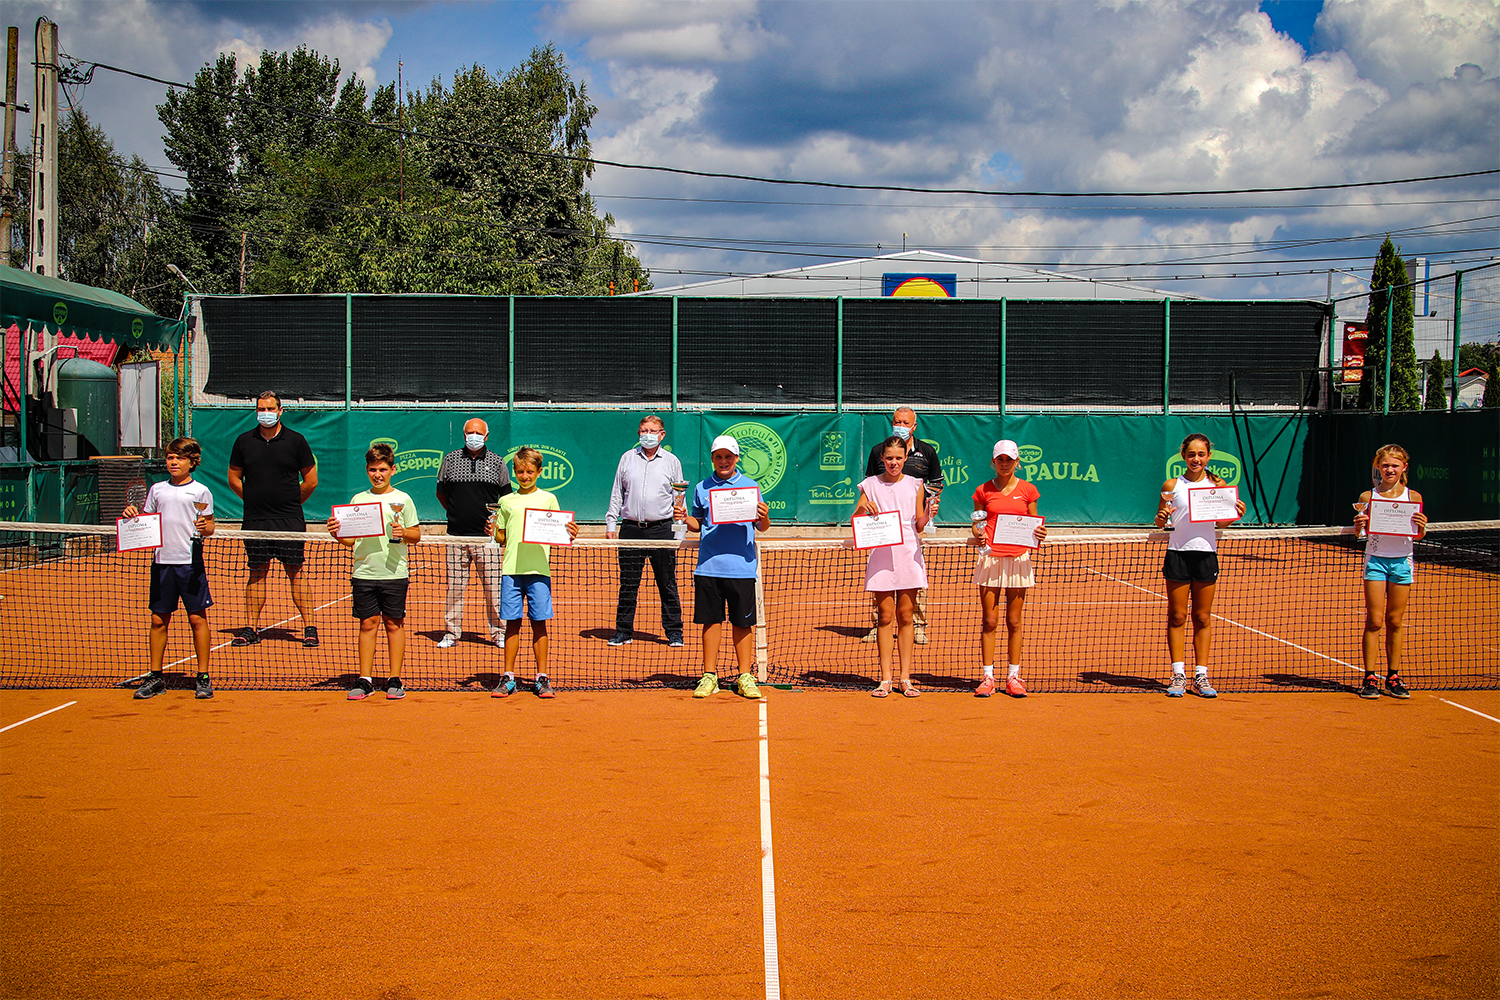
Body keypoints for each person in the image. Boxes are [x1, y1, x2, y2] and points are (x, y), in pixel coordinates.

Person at [677, 435, 771, 700]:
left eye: (728, 456)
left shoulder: (751, 487)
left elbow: (762, 526)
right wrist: (685, 518)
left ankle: (745, 676)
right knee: (711, 622)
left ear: (737, 458)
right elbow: (697, 524)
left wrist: (764, 516)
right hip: (709, 566)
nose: (723, 461)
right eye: (718, 457)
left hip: (742, 567)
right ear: (712, 459)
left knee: (743, 623)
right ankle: (709, 675)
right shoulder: (701, 487)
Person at [1154, 433, 1246, 698]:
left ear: (1208, 456)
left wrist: (1235, 514)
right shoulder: (1172, 485)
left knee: (1203, 617)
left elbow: (1221, 522)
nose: (1196, 459)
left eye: (1201, 454)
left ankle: (1201, 676)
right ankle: (1178, 675)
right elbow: (1160, 522)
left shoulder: (1218, 485)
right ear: (1184, 456)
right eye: (1191, 454)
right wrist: (1162, 516)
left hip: (1206, 555)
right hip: (1177, 554)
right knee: (1177, 616)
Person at [123, 438, 216, 700]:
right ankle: (155, 677)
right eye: (170, 457)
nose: (173, 462)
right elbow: (147, 521)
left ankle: (203, 677)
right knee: (157, 620)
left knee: (197, 619)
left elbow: (210, 527)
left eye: (180, 458)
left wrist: (205, 528)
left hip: (190, 563)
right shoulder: (157, 489)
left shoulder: (201, 491)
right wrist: (132, 515)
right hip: (162, 563)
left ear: (192, 462)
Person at [327, 443, 420, 701]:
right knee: (368, 624)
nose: (377, 474)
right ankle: (365, 679)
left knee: (393, 624)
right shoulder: (358, 500)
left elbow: (416, 535)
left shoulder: (404, 499)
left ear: (393, 469)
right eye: (372, 470)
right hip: (364, 573)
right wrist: (336, 533)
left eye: (382, 469)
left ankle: (394, 678)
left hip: (394, 573)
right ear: (367, 470)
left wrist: (403, 532)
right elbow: (349, 540)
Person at [227, 391, 319, 647]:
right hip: (255, 520)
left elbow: (310, 481)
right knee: (257, 572)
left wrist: (290, 503)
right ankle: (250, 629)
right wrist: (253, 499)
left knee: (296, 572)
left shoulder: (296, 441)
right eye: (261, 409)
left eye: (270, 409)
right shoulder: (243, 441)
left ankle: (310, 628)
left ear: (280, 411)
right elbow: (233, 478)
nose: (265, 413)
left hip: (289, 520)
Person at [490, 446, 579, 699]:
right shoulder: (506, 502)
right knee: (512, 624)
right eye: (520, 472)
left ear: (539, 472)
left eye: (530, 471)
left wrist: (570, 532)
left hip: (539, 571)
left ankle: (541, 677)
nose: (525, 476)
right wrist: (493, 530)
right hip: (511, 570)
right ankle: (508, 677)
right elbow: (501, 537)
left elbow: (559, 533)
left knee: (539, 624)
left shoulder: (548, 499)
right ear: (514, 472)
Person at [853, 436, 935, 698]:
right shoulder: (869, 485)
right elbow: (856, 520)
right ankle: (885, 678)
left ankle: (905, 678)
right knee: (885, 617)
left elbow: (919, 524)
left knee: (906, 616)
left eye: (899, 458)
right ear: (882, 458)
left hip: (909, 554)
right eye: (889, 458)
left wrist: (929, 513)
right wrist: (864, 509)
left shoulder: (916, 484)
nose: (894, 462)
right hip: (881, 556)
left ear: (905, 458)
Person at [971, 440, 1047, 698]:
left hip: (1018, 559)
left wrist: (1040, 532)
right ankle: (988, 677)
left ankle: (1013, 677)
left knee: (1014, 621)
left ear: (1017, 462)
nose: (1005, 464)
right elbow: (977, 523)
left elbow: (1034, 523)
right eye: (1000, 459)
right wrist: (978, 534)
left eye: (1009, 460)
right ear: (993, 462)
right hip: (990, 559)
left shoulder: (1028, 490)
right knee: (990, 621)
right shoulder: (982, 490)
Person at [861, 406, 942, 644]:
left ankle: (918, 626)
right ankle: (878, 625)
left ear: (914, 426)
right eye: (897, 422)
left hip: (912, 526)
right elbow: (870, 485)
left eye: (906, 423)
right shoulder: (878, 451)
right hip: (882, 531)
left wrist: (928, 508)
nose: (901, 426)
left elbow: (936, 483)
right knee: (881, 580)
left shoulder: (927, 452)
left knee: (914, 579)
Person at [1352, 444, 1427, 700]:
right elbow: (1362, 535)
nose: (1390, 469)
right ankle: (1370, 677)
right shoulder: (1367, 497)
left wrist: (1422, 527)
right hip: (1375, 561)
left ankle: (1393, 676)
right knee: (1374, 621)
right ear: (1378, 468)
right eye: (1385, 465)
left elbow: (1417, 534)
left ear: (1404, 467)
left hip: (1402, 562)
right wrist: (1359, 527)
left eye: (1395, 465)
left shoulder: (1413, 497)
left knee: (1395, 621)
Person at [604, 414, 684, 647]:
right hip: (631, 529)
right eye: (643, 430)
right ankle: (623, 631)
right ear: (638, 433)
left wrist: (679, 531)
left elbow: (679, 497)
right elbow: (617, 492)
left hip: (662, 530)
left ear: (662, 434)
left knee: (667, 583)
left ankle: (674, 631)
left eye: (652, 430)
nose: (647, 435)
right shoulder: (627, 458)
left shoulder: (672, 461)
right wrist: (611, 523)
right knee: (628, 583)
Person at [434, 417, 512, 648]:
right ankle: (451, 633)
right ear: (464, 435)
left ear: (486, 436)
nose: (474, 437)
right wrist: (456, 513)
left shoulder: (498, 462)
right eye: (470, 432)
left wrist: (496, 526)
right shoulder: (450, 460)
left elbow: (506, 499)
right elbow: (441, 493)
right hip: (455, 537)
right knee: (455, 588)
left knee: (493, 589)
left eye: (478, 433)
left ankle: (499, 632)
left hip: (487, 539)